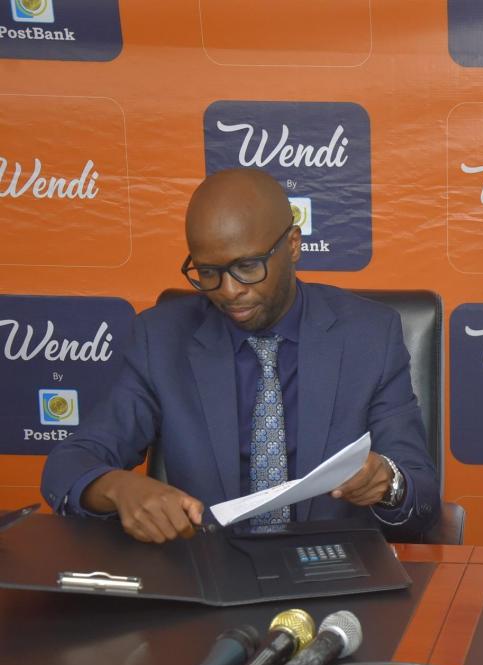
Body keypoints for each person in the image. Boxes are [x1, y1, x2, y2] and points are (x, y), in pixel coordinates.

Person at [41, 168, 440, 543]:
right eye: (208, 271)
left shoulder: (369, 335)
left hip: (331, 572)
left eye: (247, 267)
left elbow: (420, 492)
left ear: (293, 245)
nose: (229, 290)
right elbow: (68, 464)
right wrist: (117, 487)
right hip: (207, 574)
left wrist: (388, 483)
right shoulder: (160, 339)